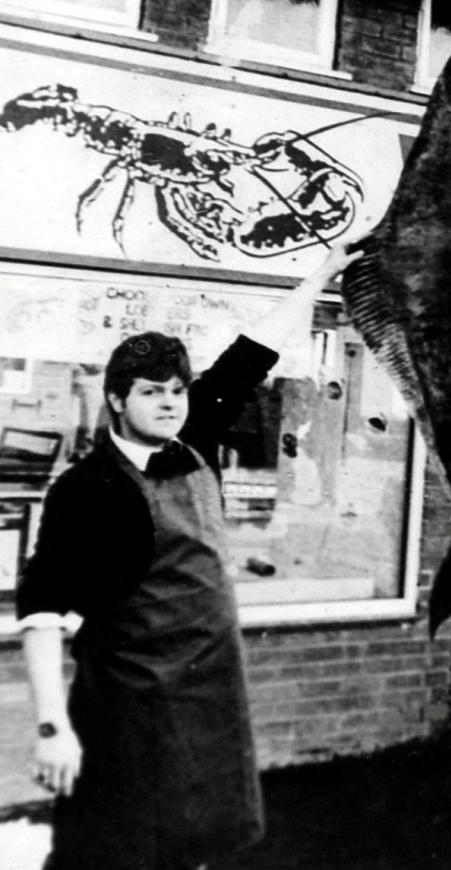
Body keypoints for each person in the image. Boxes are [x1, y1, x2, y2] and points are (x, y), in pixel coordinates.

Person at [17, 243, 361, 870]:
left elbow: (256, 352)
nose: (171, 403)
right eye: (153, 392)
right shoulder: (89, 488)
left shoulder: (193, 439)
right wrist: (50, 727)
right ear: (118, 400)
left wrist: (321, 274)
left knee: (201, 849)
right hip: (131, 716)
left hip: (210, 702)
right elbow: (42, 613)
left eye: (177, 390)